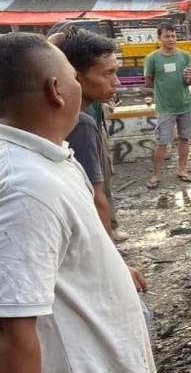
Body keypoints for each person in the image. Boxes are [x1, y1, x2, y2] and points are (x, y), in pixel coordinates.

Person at [0, 33, 156, 372]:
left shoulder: (50, 157)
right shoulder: (28, 187)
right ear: (57, 89)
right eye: (73, 76)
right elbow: (13, 331)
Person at [53, 30, 121, 240]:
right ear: (77, 76)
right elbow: (96, 199)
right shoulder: (80, 124)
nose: (116, 82)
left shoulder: (51, 117)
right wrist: (112, 260)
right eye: (107, 73)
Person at [144, 22, 191, 189]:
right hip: (165, 108)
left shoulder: (185, 56)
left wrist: (190, 78)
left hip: (186, 104)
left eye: (173, 36)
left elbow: (190, 81)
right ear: (159, 38)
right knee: (162, 142)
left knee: (184, 138)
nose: (171, 39)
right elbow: (149, 81)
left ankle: (182, 170)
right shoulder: (152, 58)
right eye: (167, 36)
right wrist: (163, 92)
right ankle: (156, 174)